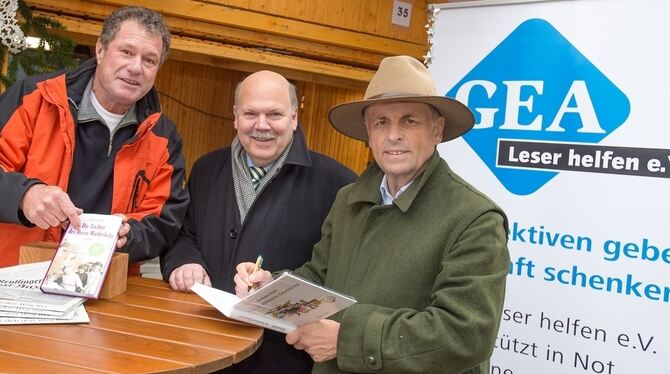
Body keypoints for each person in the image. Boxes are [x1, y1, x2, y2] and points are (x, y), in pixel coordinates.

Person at [234, 55, 510, 374]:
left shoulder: (475, 217)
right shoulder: (348, 199)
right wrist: (272, 286)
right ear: (368, 131)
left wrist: (345, 341)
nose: (393, 135)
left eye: (409, 120)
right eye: (381, 122)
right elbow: (321, 277)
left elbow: (465, 335)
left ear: (437, 130)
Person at [160, 70, 356, 373]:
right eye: (251, 113)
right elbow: (183, 235)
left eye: (274, 114)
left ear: (294, 118)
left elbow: (340, 273)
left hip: (281, 359)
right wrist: (185, 261)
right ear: (236, 117)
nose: (261, 125)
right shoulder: (207, 168)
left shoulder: (338, 184)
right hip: (202, 347)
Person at [0, 6, 189, 273]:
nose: (136, 67)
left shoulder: (164, 138)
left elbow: (163, 220)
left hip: (105, 285)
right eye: (126, 52)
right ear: (100, 50)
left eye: (149, 60)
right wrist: (24, 195)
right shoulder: (34, 98)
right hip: (16, 275)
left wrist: (129, 235)